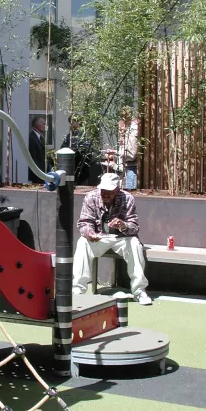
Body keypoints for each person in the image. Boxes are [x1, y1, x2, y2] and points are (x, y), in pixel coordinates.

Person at [72, 171, 152, 305]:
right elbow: (84, 222)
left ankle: (139, 291)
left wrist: (123, 225)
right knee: (82, 242)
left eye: (109, 190)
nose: (105, 193)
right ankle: (77, 290)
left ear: (117, 189)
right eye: (103, 189)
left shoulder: (128, 198)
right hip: (99, 237)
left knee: (134, 243)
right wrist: (90, 233)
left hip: (121, 238)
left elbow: (135, 227)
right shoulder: (91, 197)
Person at [61, 115, 93, 185]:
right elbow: (63, 147)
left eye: (73, 122)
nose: (71, 124)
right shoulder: (69, 136)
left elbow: (85, 150)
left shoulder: (84, 135)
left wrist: (72, 152)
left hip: (81, 168)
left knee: (81, 187)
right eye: (70, 122)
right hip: (71, 169)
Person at [28, 115, 46, 183]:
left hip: (42, 173)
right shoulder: (32, 138)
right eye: (43, 124)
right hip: (37, 175)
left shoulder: (41, 138)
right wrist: (39, 173)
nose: (45, 126)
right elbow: (33, 158)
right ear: (37, 124)